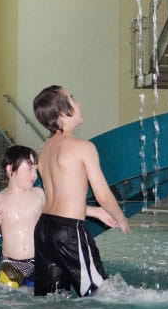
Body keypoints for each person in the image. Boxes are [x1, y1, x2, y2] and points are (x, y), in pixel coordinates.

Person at [31, 85, 130, 297]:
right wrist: (120, 217)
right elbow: (103, 195)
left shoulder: (45, 148)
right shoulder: (83, 147)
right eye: (73, 99)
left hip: (43, 230)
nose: (79, 103)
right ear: (62, 112)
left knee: (51, 300)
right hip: (69, 232)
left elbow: (59, 197)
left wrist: (94, 212)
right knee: (102, 295)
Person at [0, 145, 45, 288]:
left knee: (40, 302)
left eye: (36, 169)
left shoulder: (39, 194)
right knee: (9, 305)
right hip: (12, 265)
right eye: (29, 169)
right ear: (10, 169)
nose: (34, 176)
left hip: (39, 261)